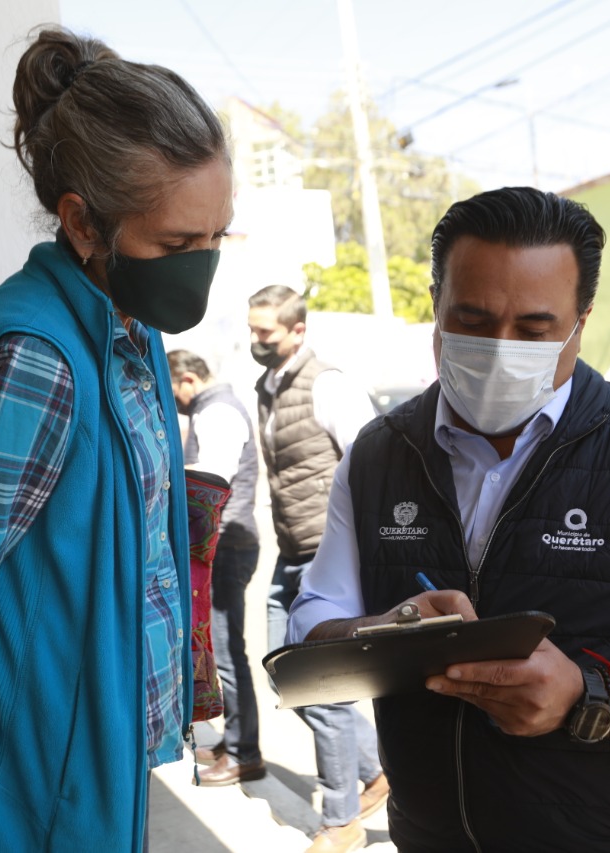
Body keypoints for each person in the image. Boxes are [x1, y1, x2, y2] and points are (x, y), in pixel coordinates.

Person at [287, 187, 610, 852]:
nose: (500, 349)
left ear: (581, 320)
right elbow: (312, 624)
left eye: (533, 329)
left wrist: (591, 697)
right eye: (471, 319)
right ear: (435, 309)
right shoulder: (379, 453)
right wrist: (383, 631)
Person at [0, 28, 232, 853]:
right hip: (38, 759)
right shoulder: (37, 363)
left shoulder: (127, 333)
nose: (202, 263)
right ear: (82, 222)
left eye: (218, 235)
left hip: (96, 743)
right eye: (177, 243)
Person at [248, 285, 390, 853]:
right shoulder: (268, 387)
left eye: (267, 332)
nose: (256, 340)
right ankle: (381, 769)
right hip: (292, 553)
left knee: (324, 691)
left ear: (298, 330)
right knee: (283, 674)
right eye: (253, 330)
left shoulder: (327, 385)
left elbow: (375, 465)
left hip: (327, 560)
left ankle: (341, 820)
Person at [166, 349, 266, 785]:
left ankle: (245, 754)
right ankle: (235, 742)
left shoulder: (217, 411)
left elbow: (210, 482)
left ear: (188, 380)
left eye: (172, 391)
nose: (174, 403)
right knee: (223, 652)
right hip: (226, 543)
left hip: (226, 545)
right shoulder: (215, 408)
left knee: (226, 654)